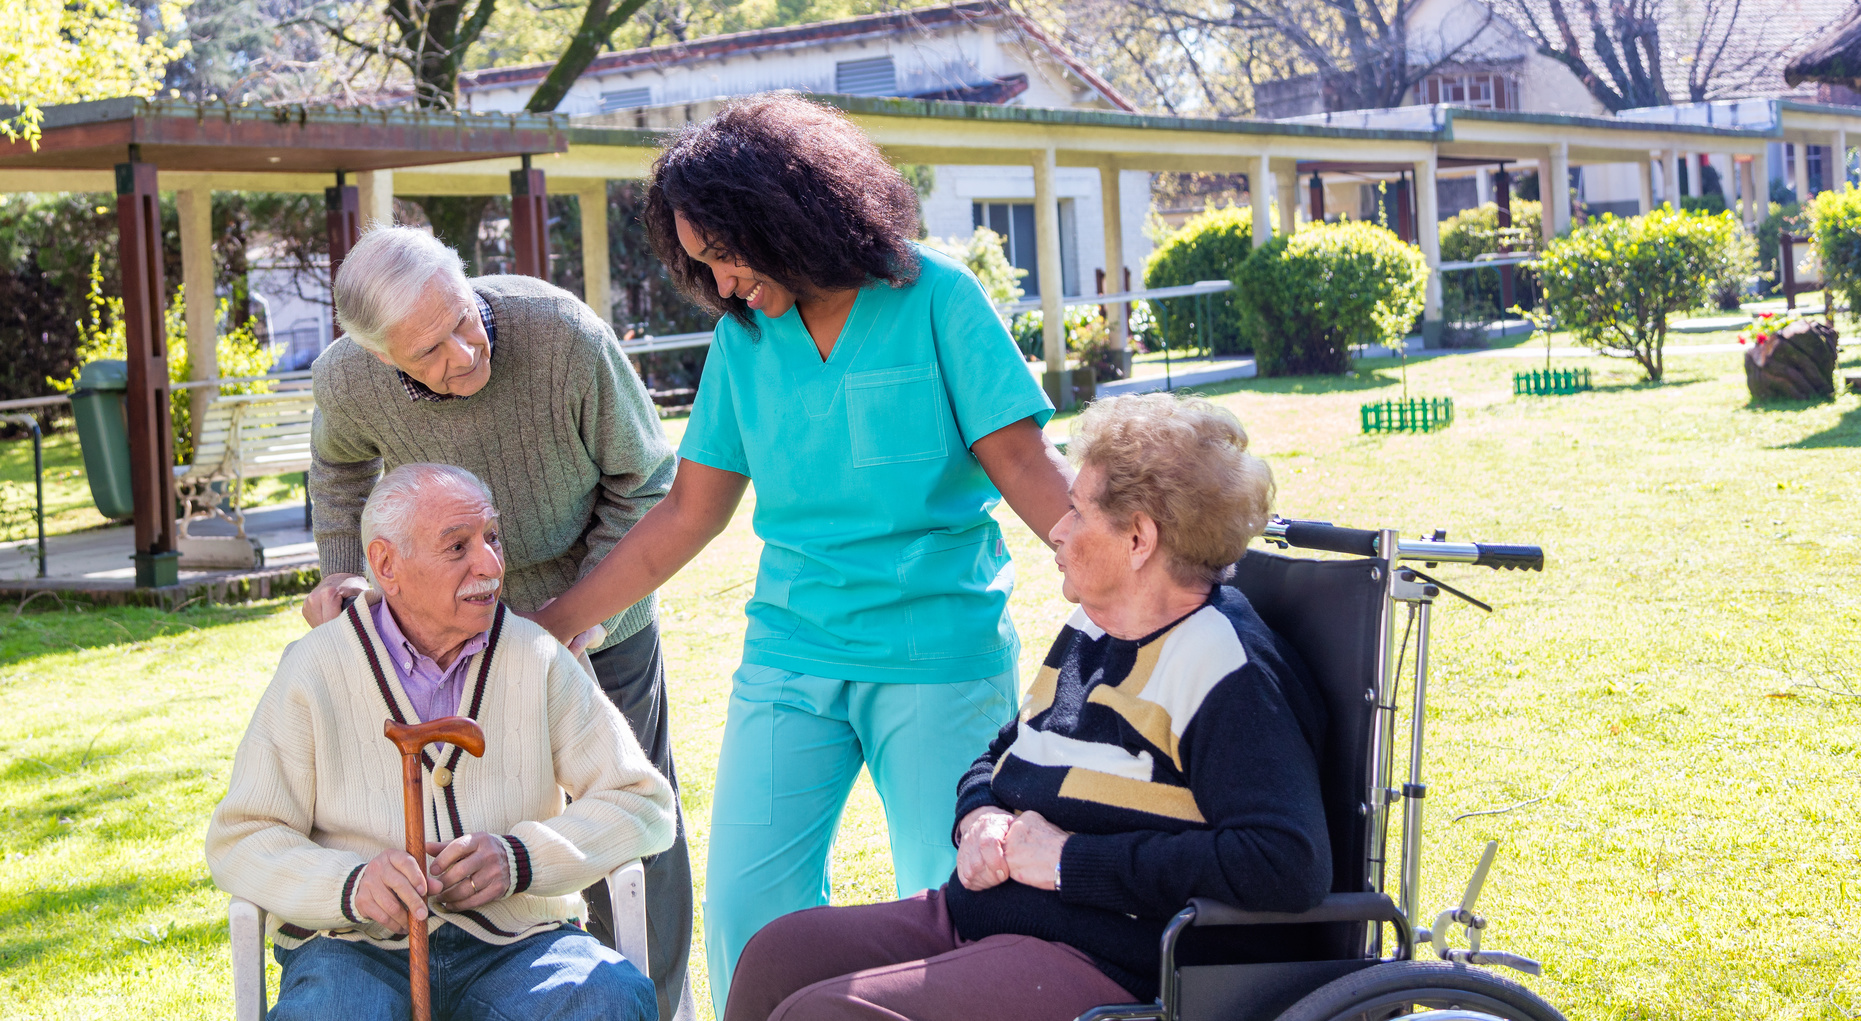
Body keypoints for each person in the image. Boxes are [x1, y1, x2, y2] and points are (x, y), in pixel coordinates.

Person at [531, 93, 1074, 1013]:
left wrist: (1139, 586)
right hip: (792, 650)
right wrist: (555, 625)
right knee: (748, 911)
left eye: (728, 254)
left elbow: (1023, 464)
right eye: (701, 266)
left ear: (789, 210)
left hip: (935, 651)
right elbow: (686, 513)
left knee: (953, 903)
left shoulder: (935, 297)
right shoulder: (745, 339)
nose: (723, 283)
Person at [720, 393, 1333, 1021]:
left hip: (1109, 957)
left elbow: (1286, 862)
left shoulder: (1226, 668)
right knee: (777, 955)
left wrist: (1072, 862)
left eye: (1077, 511)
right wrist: (979, 815)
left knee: (829, 1015)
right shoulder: (1095, 628)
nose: (1057, 531)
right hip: (986, 913)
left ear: (1138, 538)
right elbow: (1003, 752)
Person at [299, 226, 697, 1021]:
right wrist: (343, 570)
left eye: (462, 319)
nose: (465, 351)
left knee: (629, 823)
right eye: (432, 349)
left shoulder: (562, 334)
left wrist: (576, 613)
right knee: (479, 820)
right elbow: (338, 472)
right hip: (443, 633)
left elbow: (649, 480)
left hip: (592, 607)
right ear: (381, 358)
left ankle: (652, 1002)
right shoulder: (347, 378)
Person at [206, 463, 675, 1021]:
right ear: (387, 565)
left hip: (518, 943)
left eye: (492, 538)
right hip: (352, 949)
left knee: (608, 1001)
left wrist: (519, 858)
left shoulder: (535, 657)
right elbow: (243, 836)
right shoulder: (314, 668)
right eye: (458, 547)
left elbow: (642, 802)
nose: (491, 564)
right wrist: (350, 884)